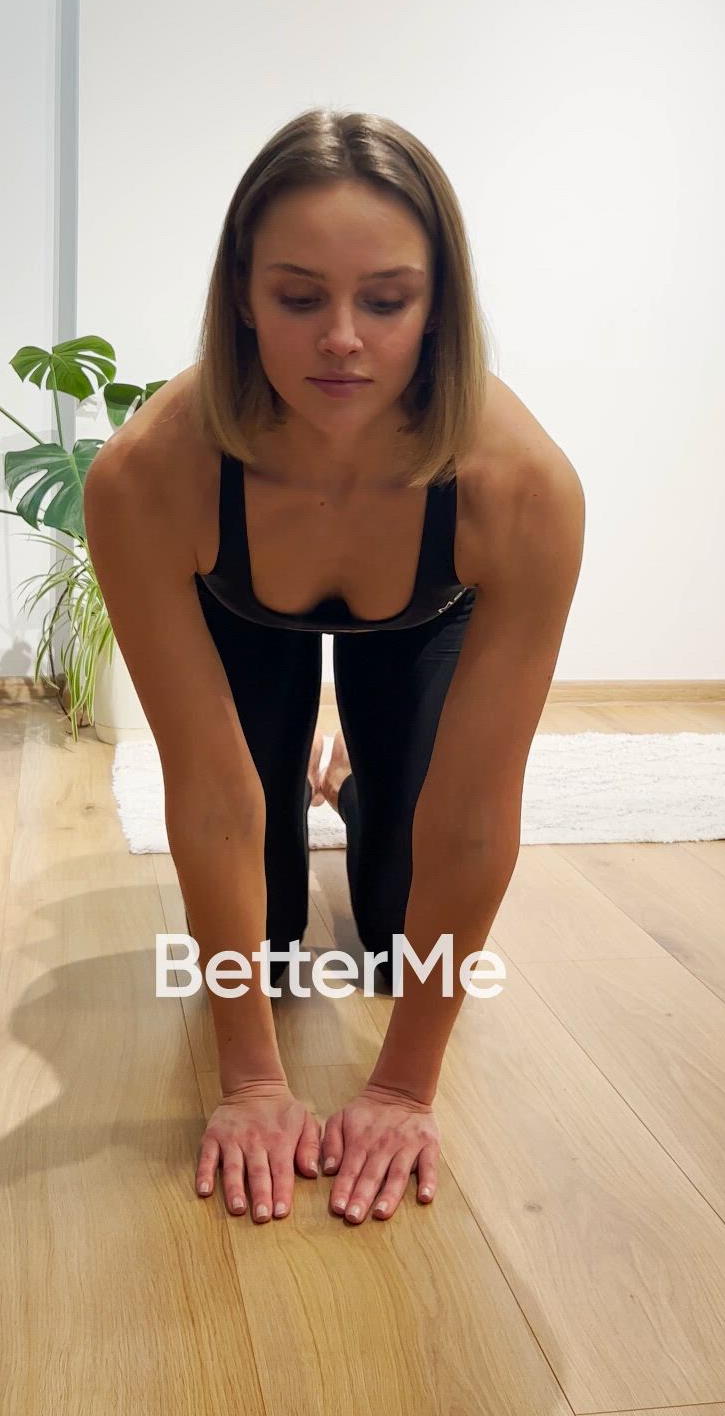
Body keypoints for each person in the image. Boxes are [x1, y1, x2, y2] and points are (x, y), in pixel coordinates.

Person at [84, 107, 585, 1230]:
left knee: (404, 921)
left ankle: (353, 781)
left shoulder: (523, 490)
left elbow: (474, 816)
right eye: (300, 297)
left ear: (438, 306)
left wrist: (404, 1087)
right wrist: (254, 1083)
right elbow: (208, 798)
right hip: (242, 607)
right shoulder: (147, 477)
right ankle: (316, 779)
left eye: (388, 300)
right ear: (242, 297)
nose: (343, 339)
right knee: (257, 942)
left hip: (421, 613)